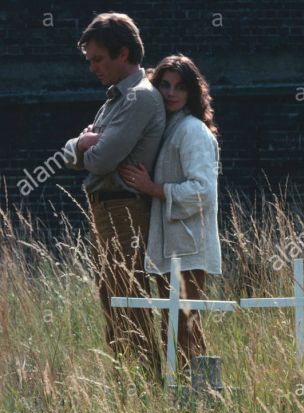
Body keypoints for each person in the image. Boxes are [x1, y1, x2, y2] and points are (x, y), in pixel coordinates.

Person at [62, 12, 165, 383]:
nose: (92, 68)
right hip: (104, 208)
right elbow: (78, 151)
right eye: (89, 60)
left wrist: (85, 147)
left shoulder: (137, 98)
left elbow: (102, 159)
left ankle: (149, 383)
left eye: (98, 60)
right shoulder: (113, 100)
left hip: (124, 208)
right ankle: (127, 382)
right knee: (111, 299)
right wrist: (82, 144)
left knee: (128, 298)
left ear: (123, 53)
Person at [117, 54, 221, 382]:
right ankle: (185, 400)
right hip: (170, 248)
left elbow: (204, 191)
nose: (171, 92)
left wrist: (155, 188)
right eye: (164, 85)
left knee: (186, 329)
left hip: (189, 249)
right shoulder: (167, 129)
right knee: (173, 328)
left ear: (192, 92)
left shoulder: (192, 131)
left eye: (180, 86)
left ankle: (205, 400)